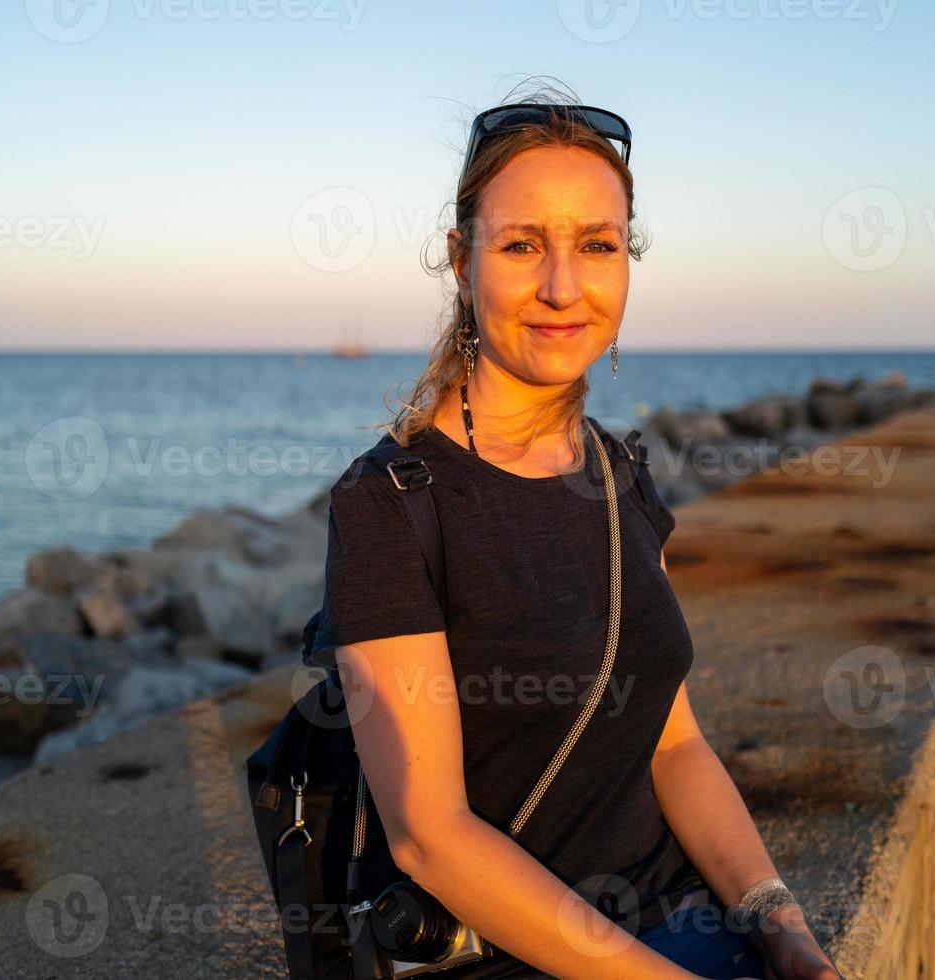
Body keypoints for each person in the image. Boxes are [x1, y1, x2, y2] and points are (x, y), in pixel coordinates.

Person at [316, 89, 841, 980]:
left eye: (597, 245)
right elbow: (429, 838)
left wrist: (781, 928)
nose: (563, 287)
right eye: (522, 245)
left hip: (681, 918)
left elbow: (672, 743)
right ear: (459, 258)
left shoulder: (618, 472)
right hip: (510, 954)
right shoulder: (390, 505)